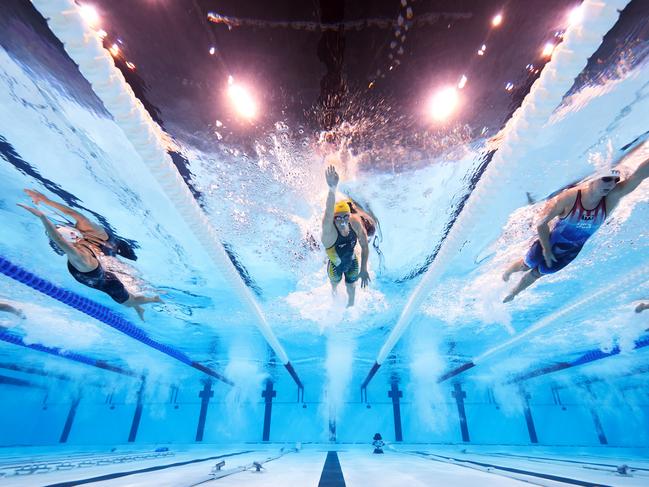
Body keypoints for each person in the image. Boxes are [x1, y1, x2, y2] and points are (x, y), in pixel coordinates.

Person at [503, 152, 649, 302]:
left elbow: (638, 176)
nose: (611, 185)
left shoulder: (610, 199)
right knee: (529, 263)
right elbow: (541, 222)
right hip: (548, 241)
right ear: (594, 179)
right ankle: (508, 271)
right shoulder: (571, 198)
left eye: (615, 180)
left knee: (540, 272)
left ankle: (514, 293)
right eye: (606, 179)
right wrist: (546, 249)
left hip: (569, 251)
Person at [18, 189, 160, 320]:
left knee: (129, 302)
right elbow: (72, 214)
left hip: (106, 282)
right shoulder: (91, 230)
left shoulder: (81, 258)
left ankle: (152, 299)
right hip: (108, 251)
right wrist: (45, 200)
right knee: (129, 292)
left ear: (71, 244)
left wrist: (43, 217)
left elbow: (60, 242)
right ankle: (139, 307)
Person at [322, 165, 372, 307]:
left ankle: (350, 307)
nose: (343, 220)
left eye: (345, 216)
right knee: (335, 284)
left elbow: (364, 245)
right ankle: (335, 297)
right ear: (333, 219)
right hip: (335, 266)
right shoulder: (329, 232)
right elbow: (328, 213)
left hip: (351, 260)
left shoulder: (354, 222)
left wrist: (363, 269)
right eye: (338, 218)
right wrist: (332, 189)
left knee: (352, 287)